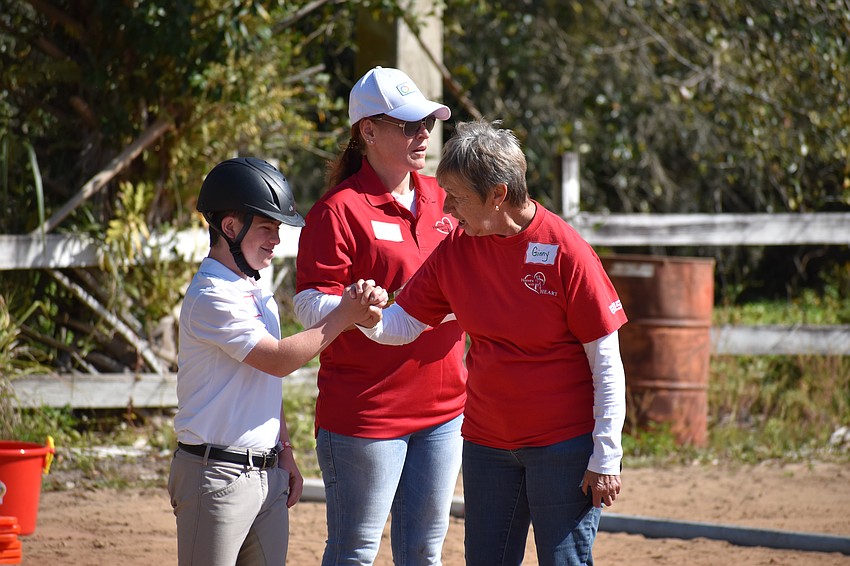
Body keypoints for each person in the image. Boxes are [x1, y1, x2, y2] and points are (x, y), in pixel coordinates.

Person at [359, 120, 629, 566]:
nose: (448, 209)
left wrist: (606, 455)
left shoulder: (567, 251)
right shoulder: (458, 247)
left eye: (459, 198)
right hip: (486, 444)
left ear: (498, 194)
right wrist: (369, 317)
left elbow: (605, 361)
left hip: (562, 446)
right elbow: (403, 324)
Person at [168, 156, 384, 566]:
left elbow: (264, 381)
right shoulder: (211, 296)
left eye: (277, 228)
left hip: (265, 474)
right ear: (230, 228)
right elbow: (279, 361)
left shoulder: (254, 290)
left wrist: (283, 450)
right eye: (266, 227)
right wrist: (344, 315)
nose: (276, 239)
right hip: (215, 477)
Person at [294, 66, 468, 565]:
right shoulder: (337, 210)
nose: (423, 135)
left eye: (427, 124)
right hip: (367, 414)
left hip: (444, 411)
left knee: (424, 554)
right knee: (355, 551)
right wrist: (356, 309)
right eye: (408, 125)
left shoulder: (446, 197)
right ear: (368, 131)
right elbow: (308, 306)